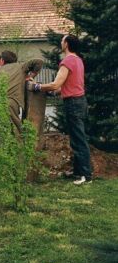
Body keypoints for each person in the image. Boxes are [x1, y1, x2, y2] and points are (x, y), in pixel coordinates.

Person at [29, 34, 92, 185]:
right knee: (76, 138)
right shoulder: (78, 60)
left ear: (66, 44)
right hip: (80, 101)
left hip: (73, 103)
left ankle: (85, 175)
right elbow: (67, 85)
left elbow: (56, 84)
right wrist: (49, 91)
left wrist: (36, 86)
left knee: (79, 139)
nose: (61, 42)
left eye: (62, 40)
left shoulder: (68, 60)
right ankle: (78, 172)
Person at [0, 50, 44, 182]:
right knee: (16, 136)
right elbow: (39, 61)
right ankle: (19, 172)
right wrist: (30, 75)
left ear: (2, 61)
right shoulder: (20, 67)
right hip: (10, 104)